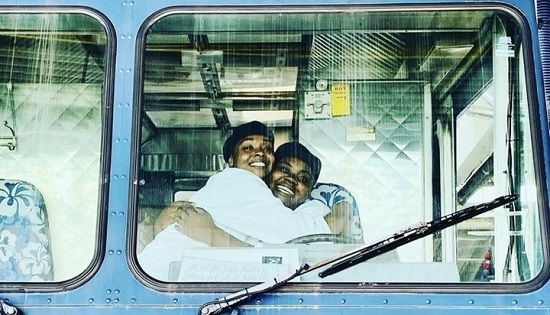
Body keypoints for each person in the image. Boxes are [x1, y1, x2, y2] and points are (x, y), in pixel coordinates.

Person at [138, 121, 332, 279]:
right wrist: (340, 208)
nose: (259, 153)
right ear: (231, 160)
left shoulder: (261, 204)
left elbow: (272, 257)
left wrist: (215, 235)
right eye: (248, 147)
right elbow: (305, 238)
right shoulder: (238, 180)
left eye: (267, 148)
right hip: (157, 281)